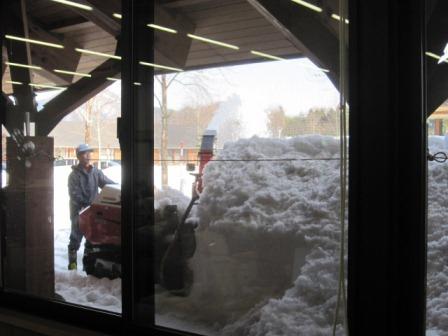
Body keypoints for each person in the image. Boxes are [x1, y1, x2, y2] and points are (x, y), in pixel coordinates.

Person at [67, 144, 115, 270]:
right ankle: (72, 265)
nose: (88, 156)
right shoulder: (73, 176)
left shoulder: (96, 172)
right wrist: (87, 206)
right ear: (78, 156)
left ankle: (88, 265)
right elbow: (74, 195)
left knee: (92, 238)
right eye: (84, 153)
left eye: (89, 153)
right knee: (75, 238)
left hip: (94, 212)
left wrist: (121, 188)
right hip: (79, 212)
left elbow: (108, 184)